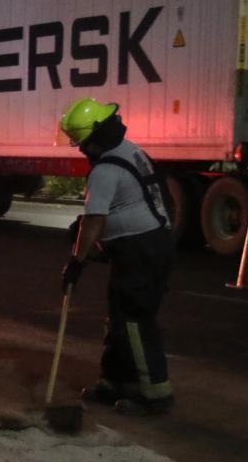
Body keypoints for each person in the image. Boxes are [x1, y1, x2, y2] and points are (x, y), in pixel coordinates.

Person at [58, 97, 175, 416]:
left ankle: (154, 395)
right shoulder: (131, 150)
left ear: (95, 136)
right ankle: (115, 381)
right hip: (144, 245)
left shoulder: (106, 170)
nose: (81, 148)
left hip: (142, 249)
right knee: (119, 317)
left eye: (81, 142)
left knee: (136, 320)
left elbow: (94, 222)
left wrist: (75, 264)